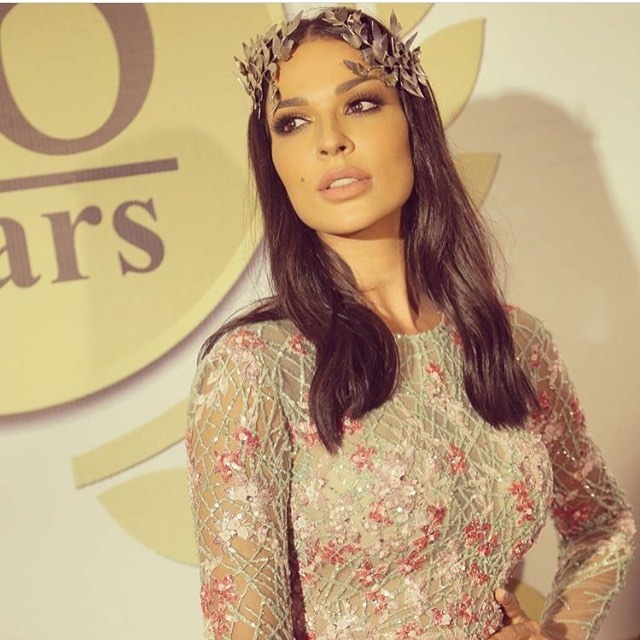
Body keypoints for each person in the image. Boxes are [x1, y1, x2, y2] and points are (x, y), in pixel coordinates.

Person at [185, 7, 635, 640]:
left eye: (361, 104)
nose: (330, 140)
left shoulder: (514, 343)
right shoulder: (254, 367)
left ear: (413, 125)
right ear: (276, 164)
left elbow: (603, 525)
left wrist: (557, 634)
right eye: (293, 122)